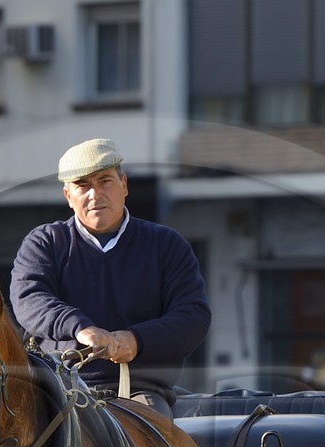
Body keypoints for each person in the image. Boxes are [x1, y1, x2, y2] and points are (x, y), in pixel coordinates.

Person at [11, 137, 211, 415]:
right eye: (82, 185)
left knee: (153, 439)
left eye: (105, 181)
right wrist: (80, 328)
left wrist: (137, 341)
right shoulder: (44, 242)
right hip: (56, 390)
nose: (95, 194)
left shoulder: (166, 245)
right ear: (68, 196)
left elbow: (193, 316)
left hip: (141, 391)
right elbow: (29, 298)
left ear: (124, 185)